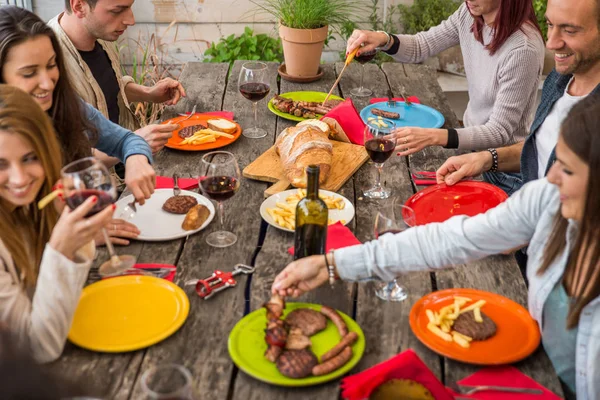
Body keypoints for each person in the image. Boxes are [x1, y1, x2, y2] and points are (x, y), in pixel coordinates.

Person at [272, 94, 600, 400]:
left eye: (567, 169)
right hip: (538, 374)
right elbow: (451, 239)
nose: (551, 175)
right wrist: (331, 265)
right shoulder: (547, 198)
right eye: (556, 160)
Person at [346, 0, 545, 194]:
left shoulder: (523, 49)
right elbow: (420, 46)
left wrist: (433, 136)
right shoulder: (469, 13)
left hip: (504, 172)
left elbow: (498, 131)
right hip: (469, 152)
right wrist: (384, 39)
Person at [0, 6, 154, 245]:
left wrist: (135, 158)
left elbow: (126, 140)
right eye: (29, 73)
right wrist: (78, 237)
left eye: (51, 65)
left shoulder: (66, 105)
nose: (47, 83)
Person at [0, 85, 114, 363]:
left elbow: (64, 294)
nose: (18, 179)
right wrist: (60, 249)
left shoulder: (29, 206)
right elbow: (37, 349)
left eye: (30, 158)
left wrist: (69, 232)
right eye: (1, 164)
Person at [436, 0, 600, 194]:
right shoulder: (559, 80)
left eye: (570, 30)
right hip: (524, 200)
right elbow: (537, 149)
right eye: (550, 25)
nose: (550, 43)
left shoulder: (523, 47)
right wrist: (486, 159)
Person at [48, 0, 186, 158]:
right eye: (117, 10)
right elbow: (64, 161)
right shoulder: (48, 61)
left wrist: (148, 93)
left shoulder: (101, 35)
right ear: (79, 6)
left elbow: (106, 90)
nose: (131, 20)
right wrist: (133, 144)